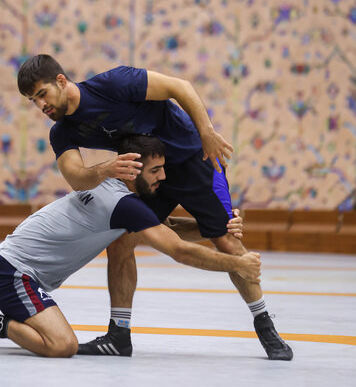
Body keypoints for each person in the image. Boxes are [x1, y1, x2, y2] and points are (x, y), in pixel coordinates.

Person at [15, 54, 292, 360]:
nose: (41, 106)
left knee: (226, 238)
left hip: (193, 160)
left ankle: (264, 322)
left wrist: (207, 132)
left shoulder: (115, 83)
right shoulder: (63, 131)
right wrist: (106, 168)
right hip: (148, 172)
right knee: (121, 241)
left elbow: (180, 87)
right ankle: (119, 335)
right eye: (33, 100)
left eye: (42, 94)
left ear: (62, 81)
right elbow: (76, 178)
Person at [0, 135, 259, 357]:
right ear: (132, 169)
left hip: (14, 269)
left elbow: (166, 229)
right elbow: (177, 249)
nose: (163, 178)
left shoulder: (118, 195)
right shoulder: (122, 204)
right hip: (13, 273)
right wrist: (238, 263)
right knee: (61, 346)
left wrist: (214, 227)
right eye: (155, 170)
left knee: (58, 341)